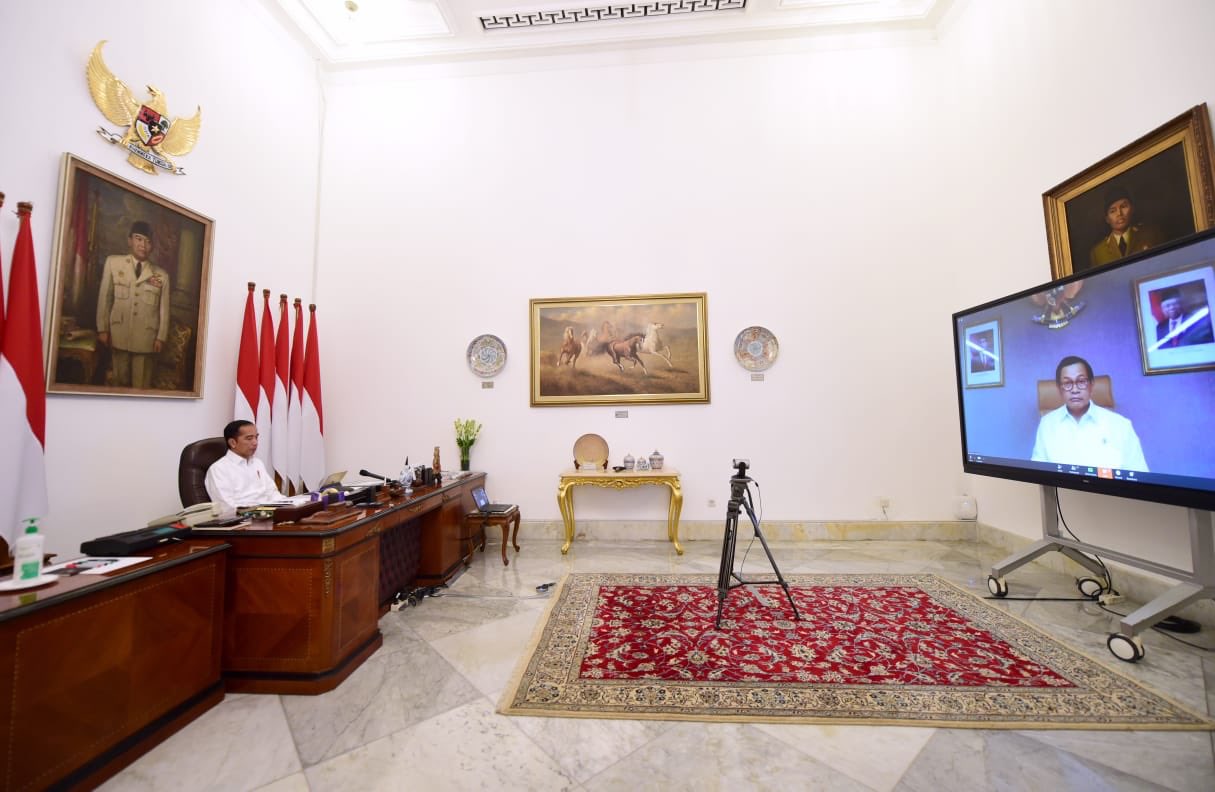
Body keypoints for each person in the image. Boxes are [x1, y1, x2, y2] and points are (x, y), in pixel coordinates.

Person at [1031, 355, 1148, 471]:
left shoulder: (1121, 425)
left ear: (1092, 385)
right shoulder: (1047, 424)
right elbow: (1038, 472)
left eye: (1081, 381)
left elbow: (1139, 474)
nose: (1075, 390)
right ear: (1059, 388)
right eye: (1067, 383)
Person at [96, 220, 171, 388]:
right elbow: (105, 297)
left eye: (148, 241)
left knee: (141, 386)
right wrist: (102, 328)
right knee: (118, 383)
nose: (143, 245)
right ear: (130, 240)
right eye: (138, 239)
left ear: (152, 247)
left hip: (146, 338)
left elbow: (164, 310)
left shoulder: (161, 275)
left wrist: (161, 337)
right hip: (119, 334)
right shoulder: (113, 263)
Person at [205, 420, 284, 513]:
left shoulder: (257, 463)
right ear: (232, 443)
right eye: (249, 438)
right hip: (245, 521)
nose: (255, 443)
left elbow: (273, 494)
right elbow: (227, 507)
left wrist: (291, 505)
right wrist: (264, 512)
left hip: (269, 515)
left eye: (256, 437)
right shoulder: (219, 469)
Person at [1088, 185, 1165, 269]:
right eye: (1112, 211)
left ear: (1132, 208)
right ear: (1107, 219)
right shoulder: (1098, 252)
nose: (1119, 214)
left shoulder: (1150, 235)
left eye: (1123, 206)